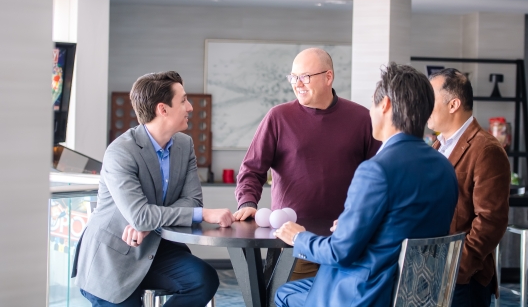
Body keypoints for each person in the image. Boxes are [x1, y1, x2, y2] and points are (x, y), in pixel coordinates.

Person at [273, 63, 459, 307]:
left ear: (386, 105)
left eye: (373, 104)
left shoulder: (376, 169)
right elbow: (404, 227)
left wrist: (299, 237)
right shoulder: (445, 167)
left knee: (282, 293)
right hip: (417, 295)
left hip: (366, 294)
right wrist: (351, 227)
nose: (370, 112)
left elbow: (339, 253)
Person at [72, 71, 235, 307]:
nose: (190, 107)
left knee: (203, 279)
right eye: (183, 100)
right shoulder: (121, 152)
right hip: (112, 261)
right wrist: (205, 215)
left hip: (154, 249)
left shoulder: (184, 145)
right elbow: (140, 216)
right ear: (163, 109)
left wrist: (149, 225)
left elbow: (192, 200)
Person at [233, 48, 381, 279]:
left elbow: (379, 178)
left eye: (305, 77)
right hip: (291, 242)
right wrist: (247, 202)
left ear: (328, 77)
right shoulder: (278, 117)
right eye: (293, 77)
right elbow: (251, 169)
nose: (297, 84)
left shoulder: (362, 119)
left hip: (346, 241)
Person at [428, 68, 510, 307]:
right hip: (431, 270)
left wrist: (457, 268)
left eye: (430, 98)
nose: (424, 105)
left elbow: (491, 220)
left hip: (463, 279)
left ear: (453, 104)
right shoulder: (436, 146)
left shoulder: (487, 149)